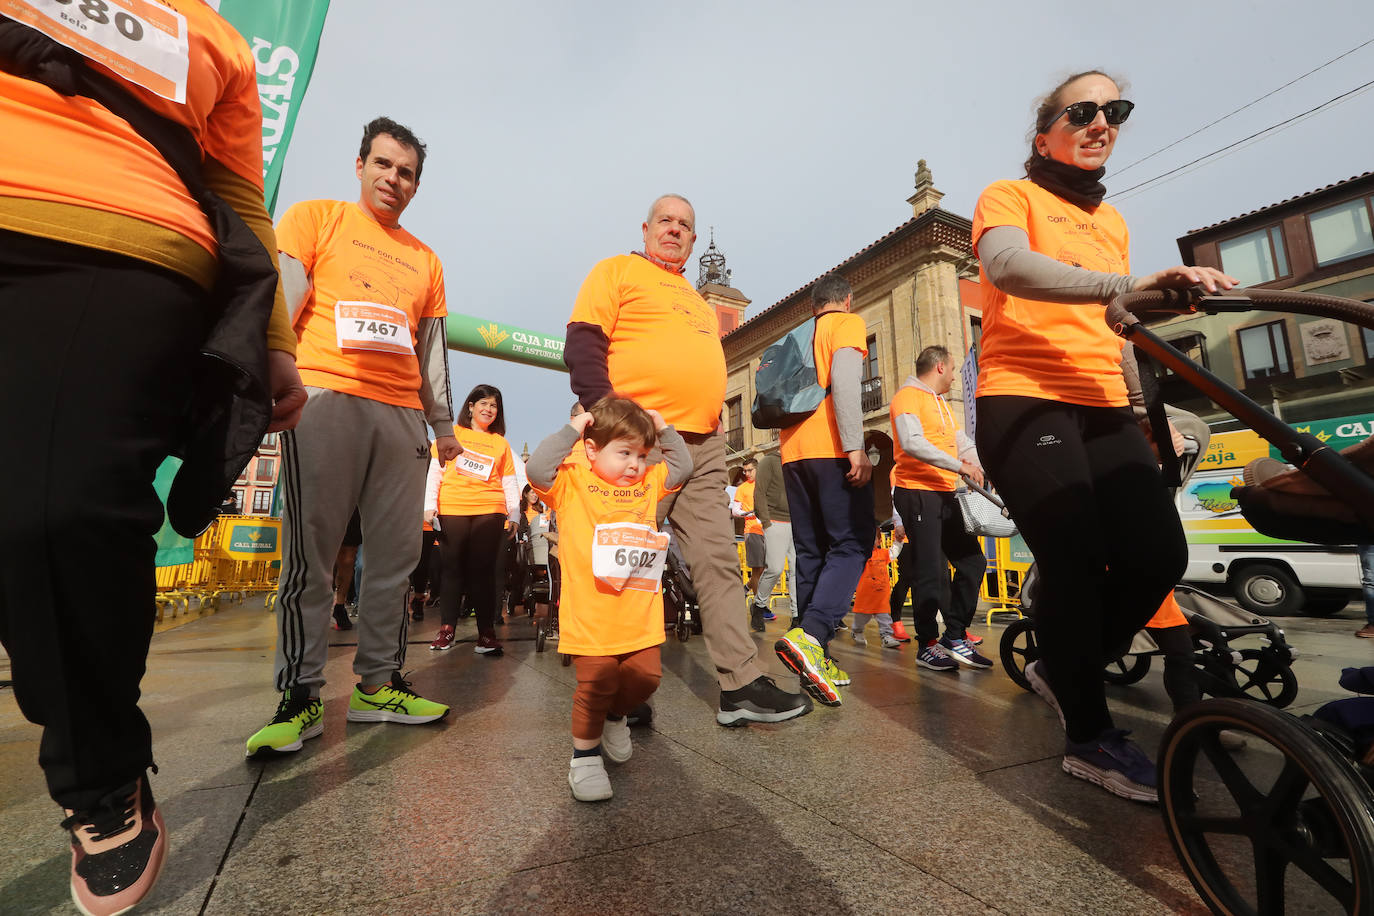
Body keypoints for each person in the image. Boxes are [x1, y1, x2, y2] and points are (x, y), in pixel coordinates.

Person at [0, 5, 307, 912]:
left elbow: (242, 196)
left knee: (59, 513)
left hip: (117, 243)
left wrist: (275, 340)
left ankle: (100, 778)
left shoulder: (215, 38)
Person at [972, 70, 1235, 801]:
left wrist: (1166, 297)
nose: (1100, 122)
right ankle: (1089, 738)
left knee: (1158, 557)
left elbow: (1116, 320)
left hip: (1104, 401)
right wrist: (1120, 287)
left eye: (1113, 111)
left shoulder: (1111, 222)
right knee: (1077, 561)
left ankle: (1064, 663)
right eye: (1081, 111)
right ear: (1045, 133)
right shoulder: (1010, 195)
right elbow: (1008, 267)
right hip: (1023, 398)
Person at [247, 116, 459, 760]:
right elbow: (282, 301)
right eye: (385, 165)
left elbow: (432, 352)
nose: (394, 179)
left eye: (407, 173)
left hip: (401, 418)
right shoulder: (316, 218)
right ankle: (301, 696)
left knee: (395, 562)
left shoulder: (427, 259)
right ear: (360, 164)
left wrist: (443, 425)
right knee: (311, 559)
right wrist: (265, 378)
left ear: (417, 186)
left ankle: (377, 686)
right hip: (324, 398)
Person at [565, 194, 811, 727]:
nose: (674, 230)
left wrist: (713, 410)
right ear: (647, 228)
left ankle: (741, 685)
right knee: (624, 566)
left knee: (718, 562)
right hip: (637, 443)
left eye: (685, 226)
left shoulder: (699, 303)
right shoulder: (617, 271)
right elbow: (583, 343)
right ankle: (620, 689)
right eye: (666, 222)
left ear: (694, 241)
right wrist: (607, 419)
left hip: (700, 444)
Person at [526, 396, 692, 801]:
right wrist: (575, 427)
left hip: (640, 614)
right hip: (591, 614)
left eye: (641, 454)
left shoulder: (648, 483)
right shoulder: (571, 482)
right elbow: (536, 469)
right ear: (592, 449)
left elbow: (684, 466)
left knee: (646, 678)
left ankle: (616, 717)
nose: (634, 464)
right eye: (624, 453)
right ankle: (584, 759)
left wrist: (663, 428)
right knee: (595, 684)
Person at [773, 274, 876, 706]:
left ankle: (813, 652)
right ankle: (813, 636)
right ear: (845, 300)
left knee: (812, 551)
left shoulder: (797, 336)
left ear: (812, 305)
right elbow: (848, 382)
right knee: (852, 544)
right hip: (831, 447)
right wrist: (855, 447)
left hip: (792, 452)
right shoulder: (845, 324)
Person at [890, 346, 992, 672]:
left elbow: (962, 443)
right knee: (931, 571)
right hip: (917, 492)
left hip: (945, 492)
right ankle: (927, 644)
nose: (953, 376)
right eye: (951, 370)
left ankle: (956, 635)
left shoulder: (942, 405)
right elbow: (912, 442)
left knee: (973, 562)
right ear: (938, 367)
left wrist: (981, 467)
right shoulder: (907, 397)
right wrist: (959, 467)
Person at [425, 384, 520, 654]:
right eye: (484, 404)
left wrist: (514, 514)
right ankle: (447, 630)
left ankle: (486, 633)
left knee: (483, 573)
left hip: (490, 508)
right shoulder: (451, 433)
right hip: (453, 507)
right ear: (470, 406)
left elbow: (509, 481)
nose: (489, 410)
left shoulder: (500, 443)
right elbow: (436, 471)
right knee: (451, 570)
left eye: (494, 406)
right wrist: (429, 505)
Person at [753, 452, 796, 629]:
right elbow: (760, 491)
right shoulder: (769, 461)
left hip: (798, 522)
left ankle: (796, 616)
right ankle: (758, 605)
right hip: (775, 520)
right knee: (775, 568)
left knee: (797, 570)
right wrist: (766, 522)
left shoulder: (797, 462)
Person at [733, 457, 769, 629]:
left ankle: (746, 587)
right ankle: (760, 607)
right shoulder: (742, 488)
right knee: (758, 569)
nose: (746, 473)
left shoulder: (765, 484)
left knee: (768, 569)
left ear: (757, 469)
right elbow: (735, 510)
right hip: (752, 530)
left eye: (749, 470)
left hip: (769, 529)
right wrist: (748, 513)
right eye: (744, 470)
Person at [851, 531, 901, 648]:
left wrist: (898, 541)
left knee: (884, 619)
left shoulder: (883, 554)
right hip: (865, 596)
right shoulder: (861, 555)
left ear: (879, 541)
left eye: (874, 538)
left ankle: (886, 636)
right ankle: (857, 631)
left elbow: (894, 552)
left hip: (881, 596)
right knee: (861, 618)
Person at [331, 508, 363, 630]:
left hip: (353, 507)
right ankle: (321, 604)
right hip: (329, 503)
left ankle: (339, 605)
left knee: (347, 557)